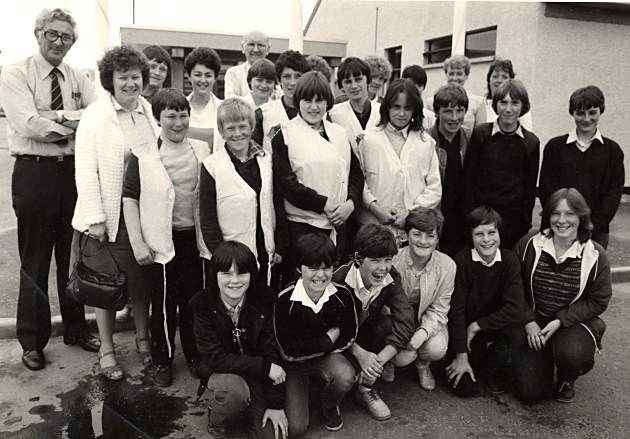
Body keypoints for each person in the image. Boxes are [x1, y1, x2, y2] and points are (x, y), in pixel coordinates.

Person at [0, 7, 99, 371]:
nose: (59, 42)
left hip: (72, 173)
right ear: (38, 34)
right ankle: (32, 340)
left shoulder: (79, 76)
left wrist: (54, 116)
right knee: (35, 260)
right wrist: (71, 122)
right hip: (34, 174)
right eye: (52, 34)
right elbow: (28, 124)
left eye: (66, 37)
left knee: (71, 258)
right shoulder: (15, 74)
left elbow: (98, 113)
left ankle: (76, 329)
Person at [72, 45, 158, 380]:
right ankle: (108, 351)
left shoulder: (148, 111)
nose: (130, 83)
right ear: (111, 79)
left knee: (141, 283)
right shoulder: (96, 115)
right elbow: (85, 170)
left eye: (135, 76)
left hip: (140, 214)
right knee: (104, 285)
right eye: (123, 77)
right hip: (107, 216)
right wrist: (95, 218)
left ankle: (143, 339)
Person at [122, 88, 211, 387]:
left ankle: (196, 356)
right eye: (170, 116)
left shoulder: (202, 150)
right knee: (162, 307)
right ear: (158, 119)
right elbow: (130, 198)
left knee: (194, 302)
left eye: (183, 115)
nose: (178, 122)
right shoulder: (143, 154)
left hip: (193, 242)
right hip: (161, 243)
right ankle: (163, 360)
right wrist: (137, 241)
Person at [512, 188, 612, 403]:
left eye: (570, 214)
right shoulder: (530, 244)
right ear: (548, 216)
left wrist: (560, 320)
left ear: (581, 217)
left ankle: (567, 376)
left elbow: (599, 300)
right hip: (535, 321)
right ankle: (543, 358)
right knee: (531, 394)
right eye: (556, 213)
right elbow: (512, 286)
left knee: (573, 355)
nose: (562, 220)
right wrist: (528, 321)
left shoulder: (595, 254)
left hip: (570, 323)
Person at [272, 71, 364, 280]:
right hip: (302, 229)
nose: (314, 107)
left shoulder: (339, 133)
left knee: (332, 285)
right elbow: (287, 185)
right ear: (298, 101)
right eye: (307, 100)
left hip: (338, 225)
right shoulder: (283, 134)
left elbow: (356, 175)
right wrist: (324, 204)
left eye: (320, 100)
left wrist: (350, 204)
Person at [190, 241, 287, 439]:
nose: (235, 281)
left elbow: (272, 349)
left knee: (273, 435)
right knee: (233, 393)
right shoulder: (201, 304)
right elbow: (214, 358)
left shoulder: (265, 299)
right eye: (226, 273)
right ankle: (217, 417)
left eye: (242, 273)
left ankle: (250, 409)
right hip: (224, 373)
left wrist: (275, 404)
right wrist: (265, 367)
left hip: (257, 374)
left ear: (251, 274)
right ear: (214, 275)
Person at [274, 233, 357, 435]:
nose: (320, 275)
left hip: (327, 359)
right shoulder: (285, 301)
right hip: (295, 367)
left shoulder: (342, 294)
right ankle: (307, 392)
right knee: (296, 428)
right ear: (298, 269)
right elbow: (287, 351)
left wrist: (316, 347)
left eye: (326, 267)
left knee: (345, 375)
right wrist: (327, 340)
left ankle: (329, 403)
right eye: (312, 268)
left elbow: (349, 334)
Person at [200, 98, 288, 285]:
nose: (238, 134)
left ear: (252, 127)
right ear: (222, 131)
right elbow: (207, 219)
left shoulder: (267, 161)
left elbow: (277, 203)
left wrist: (280, 245)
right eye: (231, 128)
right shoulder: (212, 166)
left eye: (243, 127)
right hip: (231, 255)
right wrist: (221, 256)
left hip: (265, 250)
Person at [333, 224, 414, 421]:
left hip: (369, 340)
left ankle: (365, 388)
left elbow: (406, 320)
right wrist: (360, 355)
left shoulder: (391, 276)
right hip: (340, 344)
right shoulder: (338, 280)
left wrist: (378, 363)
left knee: (386, 324)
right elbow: (329, 329)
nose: (383, 268)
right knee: (343, 375)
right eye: (375, 260)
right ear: (358, 258)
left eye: (387, 260)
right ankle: (335, 392)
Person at [446, 206, 529, 397]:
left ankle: (492, 369)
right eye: (479, 234)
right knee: (465, 390)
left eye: (492, 232)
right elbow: (456, 310)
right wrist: (461, 354)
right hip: (466, 332)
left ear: (500, 233)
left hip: (493, 326)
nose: (486, 240)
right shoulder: (462, 261)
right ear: (471, 236)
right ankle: (472, 363)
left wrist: (477, 326)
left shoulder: (510, 260)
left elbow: (515, 307)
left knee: (517, 336)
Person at [357, 78, 441, 244]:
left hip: (412, 231)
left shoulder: (425, 142)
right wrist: (376, 209)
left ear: (415, 110)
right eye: (396, 107)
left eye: (407, 108)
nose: (401, 114)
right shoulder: (368, 139)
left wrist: (410, 214)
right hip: (373, 225)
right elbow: (359, 181)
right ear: (387, 106)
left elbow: (434, 187)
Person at [539, 86, 624, 249]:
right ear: (572, 113)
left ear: (601, 111)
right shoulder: (555, 147)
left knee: (591, 273)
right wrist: (562, 221)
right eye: (580, 113)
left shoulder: (613, 151)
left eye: (592, 113)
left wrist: (591, 225)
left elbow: (613, 195)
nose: (586, 119)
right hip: (560, 228)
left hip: (596, 232)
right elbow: (547, 190)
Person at [462, 79, 540, 249]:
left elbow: (529, 188)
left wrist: (524, 223)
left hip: (512, 221)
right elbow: (468, 177)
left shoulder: (530, 142)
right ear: (495, 105)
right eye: (503, 102)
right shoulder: (481, 134)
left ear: (523, 106)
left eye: (514, 103)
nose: (508, 109)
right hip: (481, 216)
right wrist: (471, 215)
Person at [391, 208, 455, 390]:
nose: (423, 241)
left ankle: (423, 365)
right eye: (416, 234)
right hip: (397, 319)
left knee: (436, 348)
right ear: (406, 235)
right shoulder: (394, 259)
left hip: (425, 319)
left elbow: (440, 309)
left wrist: (422, 333)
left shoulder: (447, 266)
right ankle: (390, 362)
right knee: (403, 358)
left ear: (437, 238)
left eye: (430, 236)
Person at [428, 84, 469, 256]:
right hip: (436, 215)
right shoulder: (426, 141)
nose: (454, 117)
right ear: (437, 112)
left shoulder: (470, 138)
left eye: (459, 111)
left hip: (462, 218)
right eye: (448, 111)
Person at [252, 50, 310, 151]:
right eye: (287, 76)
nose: (292, 82)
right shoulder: (263, 114)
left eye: (298, 76)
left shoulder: (315, 113)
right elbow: (254, 153)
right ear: (279, 80)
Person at [329, 57, 380, 149]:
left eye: (358, 79)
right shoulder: (333, 115)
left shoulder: (382, 113)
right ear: (341, 86)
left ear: (368, 80)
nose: (354, 86)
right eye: (348, 82)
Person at [433, 55, 483, 139]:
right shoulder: (433, 100)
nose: (455, 78)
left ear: (466, 76)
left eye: (459, 74)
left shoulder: (478, 102)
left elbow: (480, 133)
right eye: (451, 73)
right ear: (446, 74)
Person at [475, 58, 532, 131]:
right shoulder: (479, 104)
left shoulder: (518, 105)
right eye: (495, 76)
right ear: (489, 80)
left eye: (504, 77)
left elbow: (526, 134)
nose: (499, 80)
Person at [184, 46, 223, 151]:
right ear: (189, 76)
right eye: (198, 75)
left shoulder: (224, 110)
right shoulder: (178, 107)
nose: (203, 80)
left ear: (215, 78)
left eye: (208, 75)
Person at [224, 30, 271, 98]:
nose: (255, 50)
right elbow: (231, 102)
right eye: (251, 44)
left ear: (268, 49)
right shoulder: (233, 73)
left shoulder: (277, 74)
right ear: (243, 47)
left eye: (260, 45)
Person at [402, 64, 435, 130]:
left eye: (419, 85)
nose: (415, 88)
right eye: (411, 84)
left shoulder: (430, 117)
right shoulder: (395, 113)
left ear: (424, 87)